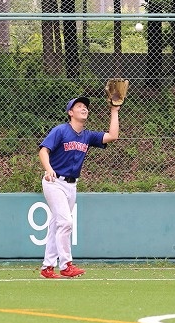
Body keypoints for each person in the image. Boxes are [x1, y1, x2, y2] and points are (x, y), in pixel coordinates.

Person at [38, 96, 120, 278]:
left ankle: (47, 267)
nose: (84, 109)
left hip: (71, 185)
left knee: (57, 225)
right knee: (65, 223)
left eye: (85, 107)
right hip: (54, 181)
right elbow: (43, 150)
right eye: (79, 106)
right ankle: (66, 264)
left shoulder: (87, 135)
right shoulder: (61, 130)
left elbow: (112, 136)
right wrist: (48, 169)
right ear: (70, 112)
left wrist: (114, 111)